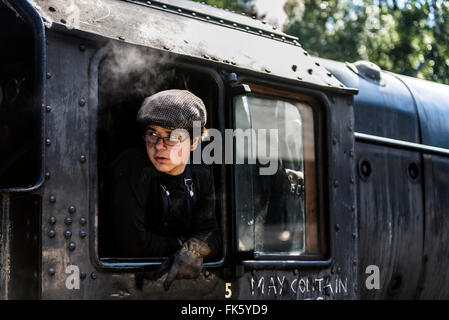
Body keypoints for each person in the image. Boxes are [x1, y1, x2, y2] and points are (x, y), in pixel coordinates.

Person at [109, 89, 221, 290]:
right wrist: (182, 245)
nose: (159, 146)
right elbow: (132, 244)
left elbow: (210, 231)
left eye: (172, 136)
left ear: (194, 142)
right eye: (153, 134)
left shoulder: (201, 175)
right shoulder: (131, 166)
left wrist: (194, 251)